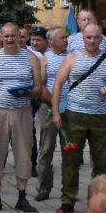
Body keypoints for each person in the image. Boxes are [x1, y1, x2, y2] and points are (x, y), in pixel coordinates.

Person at [50, 22, 106, 213]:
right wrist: (55, 112)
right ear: (82, 38)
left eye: (96, 37)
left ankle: (99, 201)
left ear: (102, 39)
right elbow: (58, 84)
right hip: (75, 115)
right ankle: (67, 200)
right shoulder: (73, 57)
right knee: (70, 160)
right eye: (89, 37)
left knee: (102, 162)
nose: (92, 41)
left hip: (101, 116)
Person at [0, 22, 44, 213]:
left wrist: (27, 93)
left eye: (13, 35)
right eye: (5, 36)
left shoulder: (31, 58)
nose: (9, 39)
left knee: (24, 152)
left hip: (22, 112)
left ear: (20, 36)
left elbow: (38, 88)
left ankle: (22, 196)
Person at [33, 26, 66, 201]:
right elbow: (40, 85)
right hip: (48, 106)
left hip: (69, 108)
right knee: (46, 149)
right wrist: (54, 102)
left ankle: (69, 188)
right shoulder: (45, 59)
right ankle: (44, 187)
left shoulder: (72, 57)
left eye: (66, 37)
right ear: (51, 41)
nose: (66, 40)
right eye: (62, 38)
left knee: (69, 150)